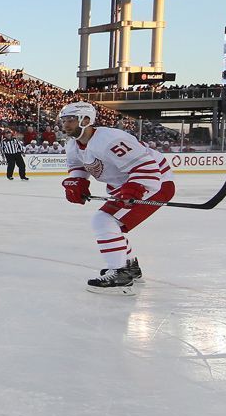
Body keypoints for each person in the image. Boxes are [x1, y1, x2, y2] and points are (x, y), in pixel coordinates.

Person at [59, 101, 171, 295]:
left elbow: (147, 167)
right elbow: (77, 169)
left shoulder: (110, 140)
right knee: (111, 224)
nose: (65, 124)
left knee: (104, 220)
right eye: (64, 120)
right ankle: (129, 267)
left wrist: (134, 188)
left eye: (71, 119)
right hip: (126, 184)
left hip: (156, 181)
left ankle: (120, 273)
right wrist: (77, 183)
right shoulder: (73, 146)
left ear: (86, 120)